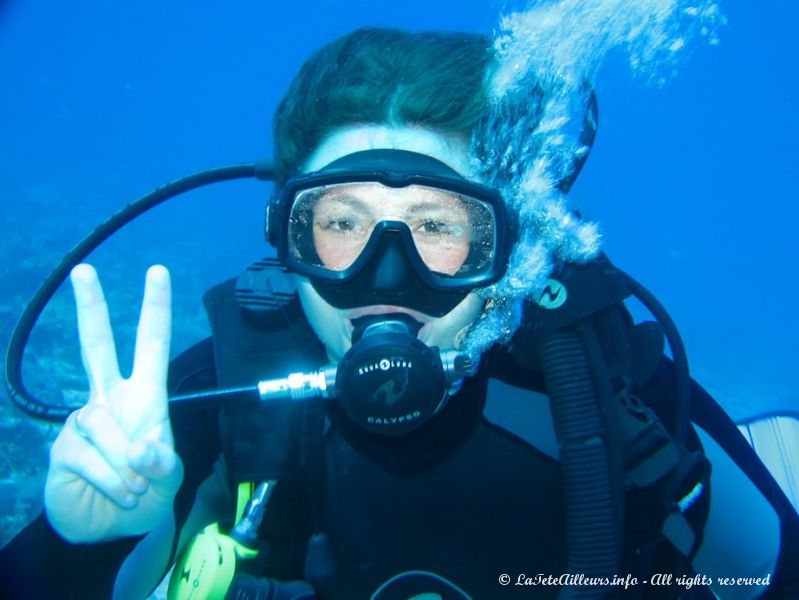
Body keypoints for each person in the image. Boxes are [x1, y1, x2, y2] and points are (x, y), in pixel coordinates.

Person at [1, 27, 798, 600]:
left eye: (437, 228)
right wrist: (91, 542)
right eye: (340, 224)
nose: (387, 278)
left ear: (505, 255)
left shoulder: (605, 389)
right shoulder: (218, 393)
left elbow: (773, 573)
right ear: (288, 235)